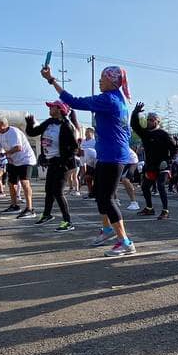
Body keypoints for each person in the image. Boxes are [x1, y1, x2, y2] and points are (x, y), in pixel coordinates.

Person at [46, 63, 138, 256]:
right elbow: (126, 130)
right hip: (108, 154)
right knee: (99, 195)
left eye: (102, 78)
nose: (99, 81)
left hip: (113, 156)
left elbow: (74, 101)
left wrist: (52, 80)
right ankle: (107, 230)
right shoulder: (118, 99)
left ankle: (125, 242)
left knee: (108, 198)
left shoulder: (109, 99)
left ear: (112, 81)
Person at [26, 101, 79, 231]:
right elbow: (33, 133)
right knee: (49, 190)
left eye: (52, 107)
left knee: (58, 192)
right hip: (52, 162)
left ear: (59, 109)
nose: (50, 109)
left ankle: (68, 221)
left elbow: (74, 148)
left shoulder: (66, 125)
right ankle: (47, 215)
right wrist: (29, 123)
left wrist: (63, 161)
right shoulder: (49, 122)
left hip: (62, 164)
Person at [132, 105, 178, 220]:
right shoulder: (145, 133)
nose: (149, 122)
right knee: (145, 187)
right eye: (148, 119)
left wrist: (168, 161)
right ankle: (149, 208)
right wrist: (135, 112)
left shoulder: (164, 134)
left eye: (151, 120)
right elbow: (134, 125)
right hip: (151, 166)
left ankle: (165, 211)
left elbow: (175, 149)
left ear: (157, 121)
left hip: (163, 166)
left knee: (161, 185)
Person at [0, 115, 37, 218]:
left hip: (26, 159)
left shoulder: (14, 132)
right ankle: (14, 205)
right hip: (13, 161)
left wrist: (5, 154)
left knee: (24, 182)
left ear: (2, 125)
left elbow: (18, 147)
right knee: (11, 183)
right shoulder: (0, 136)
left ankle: (30, 209)